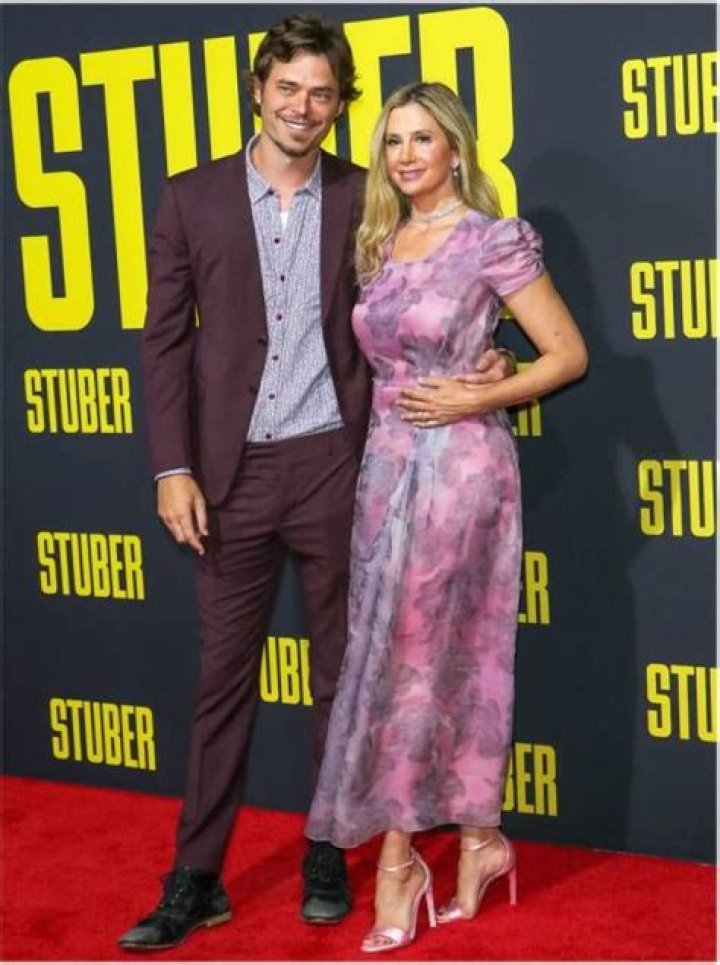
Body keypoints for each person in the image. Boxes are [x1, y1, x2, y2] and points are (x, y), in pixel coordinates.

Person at [118, 14, 512, 953]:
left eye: (322, 94)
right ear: (258, 89)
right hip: (231, 476)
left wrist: (486, 359)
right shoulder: (191, 197)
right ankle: (196, 876)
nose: (303, 107)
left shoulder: (364, 198)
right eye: (288, 88)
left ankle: (328, 851)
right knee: (224, 678)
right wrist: (172, 466)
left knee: (348, 674)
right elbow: (163, 342)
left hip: (342, 466)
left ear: (341, 106)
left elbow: (430, 296)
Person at [306, 80, 588, 954]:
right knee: (406, 654)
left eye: (422, 138)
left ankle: (399, 863)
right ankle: (479, 839)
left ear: (455, 149)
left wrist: (483, 391)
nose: (405, 155)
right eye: (393, 141)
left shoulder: (490, 240)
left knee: (430, 661)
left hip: (462, 471)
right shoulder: (381, 241)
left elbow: (568, 354)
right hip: (387, 468)